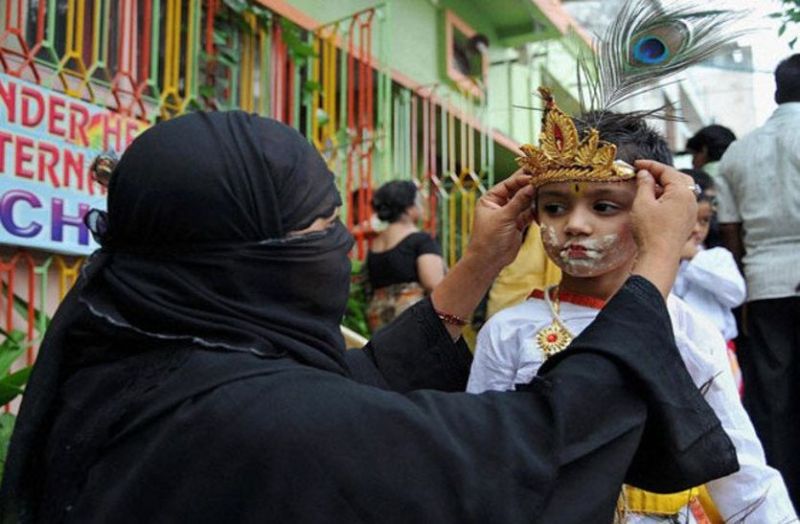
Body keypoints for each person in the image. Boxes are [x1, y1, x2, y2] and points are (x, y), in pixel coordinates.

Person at [0, 111, 737, 523]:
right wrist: (657, 267)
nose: (339, 244)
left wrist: (473, 269)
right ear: (238, 257)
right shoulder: (256, 424)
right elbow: (525, 454)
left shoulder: (140, 343)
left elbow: (354, 391)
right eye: (319, 227)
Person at [468, 102, 796, 523]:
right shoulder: (508, 331)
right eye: (554, 207)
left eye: (604, 207)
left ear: (654, 210)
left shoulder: (687, 328)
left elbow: (738, 469)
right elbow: (484, 461)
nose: (575, 225)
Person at [715, 53, 800, 510]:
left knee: (774, 402)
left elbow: (731, 234)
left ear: (775, 92)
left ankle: (784, 503)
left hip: (765, 286)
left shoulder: (737, 151)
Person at [674, 169, 745, 393]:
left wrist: (693, 257)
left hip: (718, 355)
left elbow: (735, 293)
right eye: (689, 219)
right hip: (675, 355)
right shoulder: (659, 260)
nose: (697, 229)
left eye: (704, 221)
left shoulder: (717, 258)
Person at [365, 181, 444, 332]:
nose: (422, 205)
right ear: (408, 208)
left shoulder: (375, 243)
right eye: (418, 201)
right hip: (411, 322)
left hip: (378, 322)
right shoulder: (421, 240)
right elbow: (433, 284)